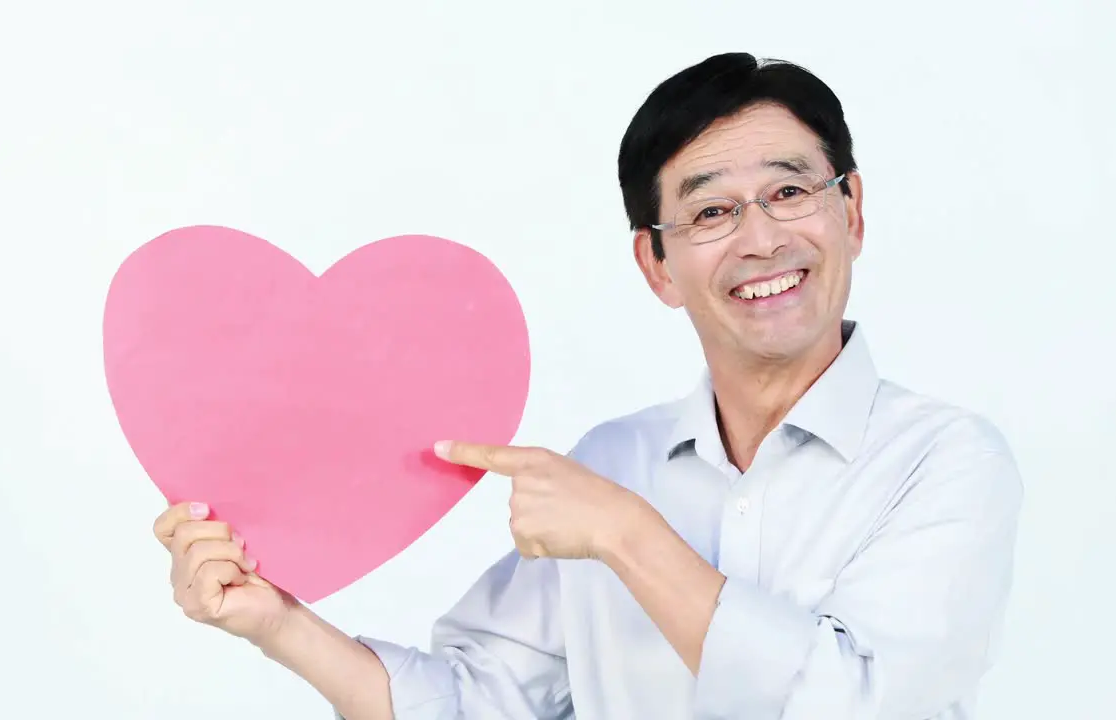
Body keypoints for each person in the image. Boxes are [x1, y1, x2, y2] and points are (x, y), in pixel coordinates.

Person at [153, 52, 1023, 719]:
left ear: (853, 211)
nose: (761, 239)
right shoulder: (616, 460)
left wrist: (626, 535)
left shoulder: (943, 462)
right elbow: (475, 700)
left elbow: (859, 705)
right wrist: (277, 623)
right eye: (712, 210)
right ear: (657, 263)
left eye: (791, 191)